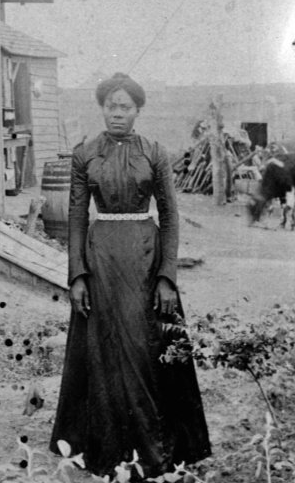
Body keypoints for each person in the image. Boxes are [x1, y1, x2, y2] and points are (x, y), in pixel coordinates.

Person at [50, 73, 210, 476]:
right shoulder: (85, 153)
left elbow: (171, 215)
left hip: (145, 256)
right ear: (102, 108)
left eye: (125, 106)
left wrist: (167, 277)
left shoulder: (154, 152)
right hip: (101, 256)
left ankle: (155, 447)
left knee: (145, 347)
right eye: (110, 105)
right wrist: (77, 275)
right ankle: (106, 450)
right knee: (103, 351)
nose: (117, 113)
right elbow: (75, 217)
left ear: (138, 110)